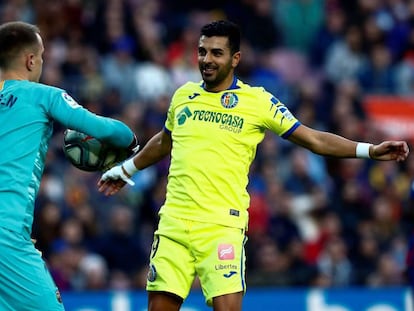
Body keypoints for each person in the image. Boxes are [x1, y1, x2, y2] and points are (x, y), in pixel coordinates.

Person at [98, 20, 409, 311]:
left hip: (222, 227)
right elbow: (165, 141)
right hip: (174, 224)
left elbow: (313, 139)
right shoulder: (183, 96)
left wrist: (369, 150)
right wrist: (126, 170)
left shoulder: (258, 102)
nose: (207, 59)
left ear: (236, 59)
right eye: (202, 51)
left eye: (217, 53)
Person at [0, 21, 138, 310]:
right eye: (42, 55)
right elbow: (108, 131)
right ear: (30, 60)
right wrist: (132, 143)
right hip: (6, 235)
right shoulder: (43, 95)